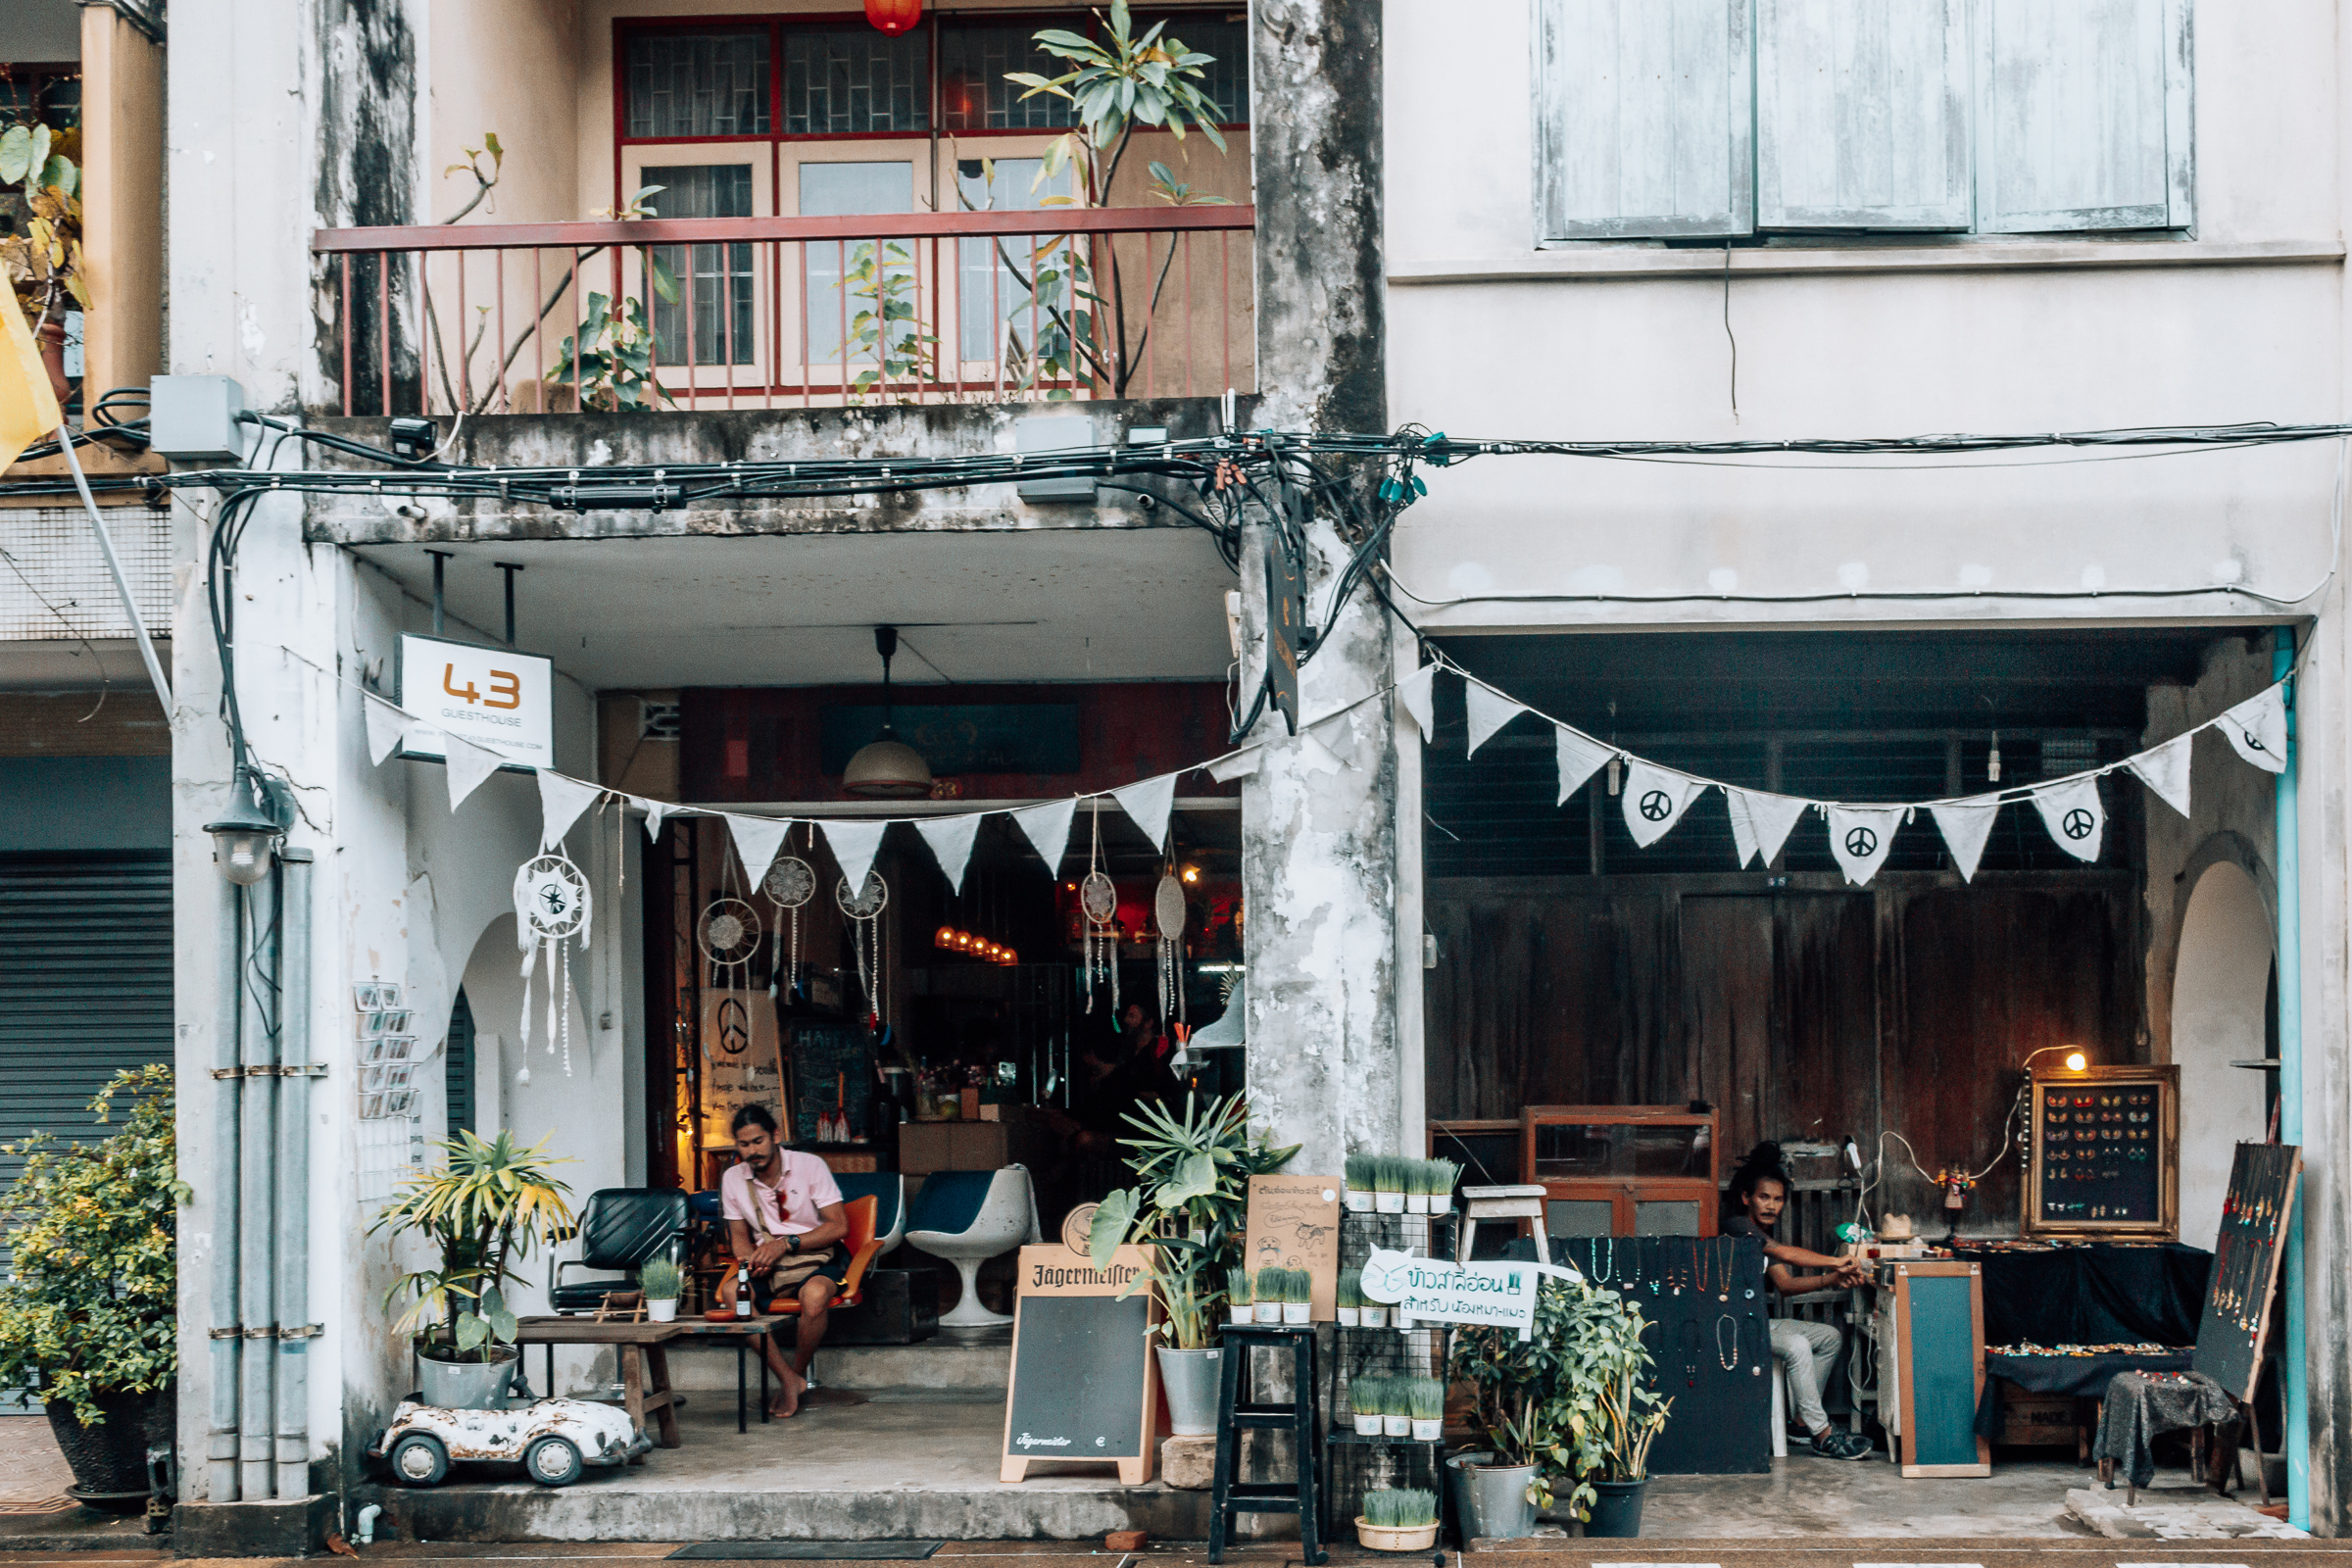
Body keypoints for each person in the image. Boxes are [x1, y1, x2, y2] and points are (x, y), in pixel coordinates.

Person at [1720, 1142, 1874, 1460]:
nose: (1771, 1205)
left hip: (1757, 1323)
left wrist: (1833, 1280)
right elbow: (1784, 1253)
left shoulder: (1760, 1236)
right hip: (1734, 1326)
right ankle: (1823, 1435)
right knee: (1797, 1345)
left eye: (1778, 1199)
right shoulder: (1737, 1226)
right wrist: (1835, 1263)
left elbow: (1786, 1285)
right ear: (1746, 1198)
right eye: (1764, 1197)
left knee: (1828, 1337)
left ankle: (1802, 1422)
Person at [715, 1103, 850, 1418]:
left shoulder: (810, 1166)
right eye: (744, 1144)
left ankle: (797, 1374)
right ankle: (786, 1378)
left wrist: (785, 1243)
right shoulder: (733, 1178)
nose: (752, 1151)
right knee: (735, 1294)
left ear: (775, 1136)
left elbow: (838, 1226)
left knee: (814, 1296)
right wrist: (750, 1260)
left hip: (816, 1253)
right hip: (770, 1265)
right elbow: (738, 1235)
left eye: (758, 1141)